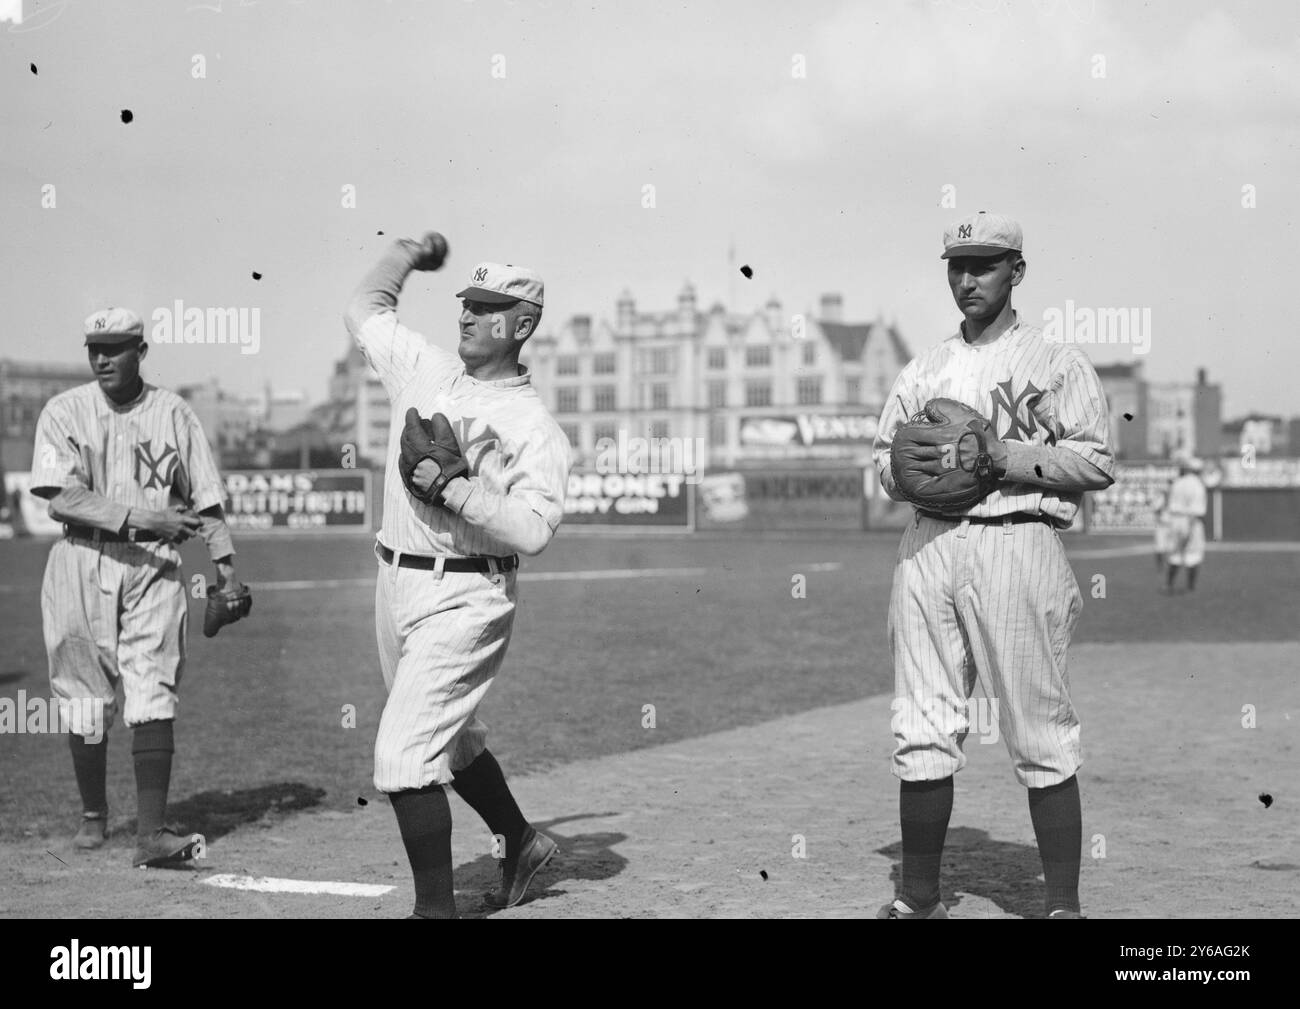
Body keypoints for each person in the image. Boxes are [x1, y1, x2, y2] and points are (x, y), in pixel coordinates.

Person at [872, 212, 1115, 919]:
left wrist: (1003, 455)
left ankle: (1063, 905)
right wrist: (903, 473)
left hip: (1017, 538)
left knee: (1039, 728)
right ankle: (919, 897)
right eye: (957, 264)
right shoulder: (924, 368)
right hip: (928, 546)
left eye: (984, 264)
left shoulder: (1055, 360)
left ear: (1018, 270)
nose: (967, 278)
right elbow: (883, 462)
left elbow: (1096, 459)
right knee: (919, 726)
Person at [343, 234, 572, 918]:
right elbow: (363, 308)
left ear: (522, 325)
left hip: (470, 591)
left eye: (489, 307)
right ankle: (522, 842)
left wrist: (460, 489)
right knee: (453, 737)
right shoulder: (424, 368)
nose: (469, 315)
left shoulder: (534, 425)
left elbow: (533, 529)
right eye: (467, 303)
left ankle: (434, 913)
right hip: (395, 581)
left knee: (404, 755)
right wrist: (406, 254)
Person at [29, 307, 245, 867]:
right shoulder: (63, 411)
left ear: (141, 351)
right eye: (94, 347)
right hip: (81, 557)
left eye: (116, 347)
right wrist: (146, 519)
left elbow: (205, 497)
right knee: (84, 696)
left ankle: (151, 832)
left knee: (154, 685)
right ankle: (93, 815)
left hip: (153, 567)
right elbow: (59, 498)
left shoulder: (174, 412)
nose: (102, 358)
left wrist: (226, 568)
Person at [1164, 457, 1207, 592]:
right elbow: (1195, 510)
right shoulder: (1197, 485)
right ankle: (1190, 586)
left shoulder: (1178, 483)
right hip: (1190, 520)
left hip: (1175, 520)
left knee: (1175, 553)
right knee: (1193, 553)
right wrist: (1190, 528)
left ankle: (1169, 584)